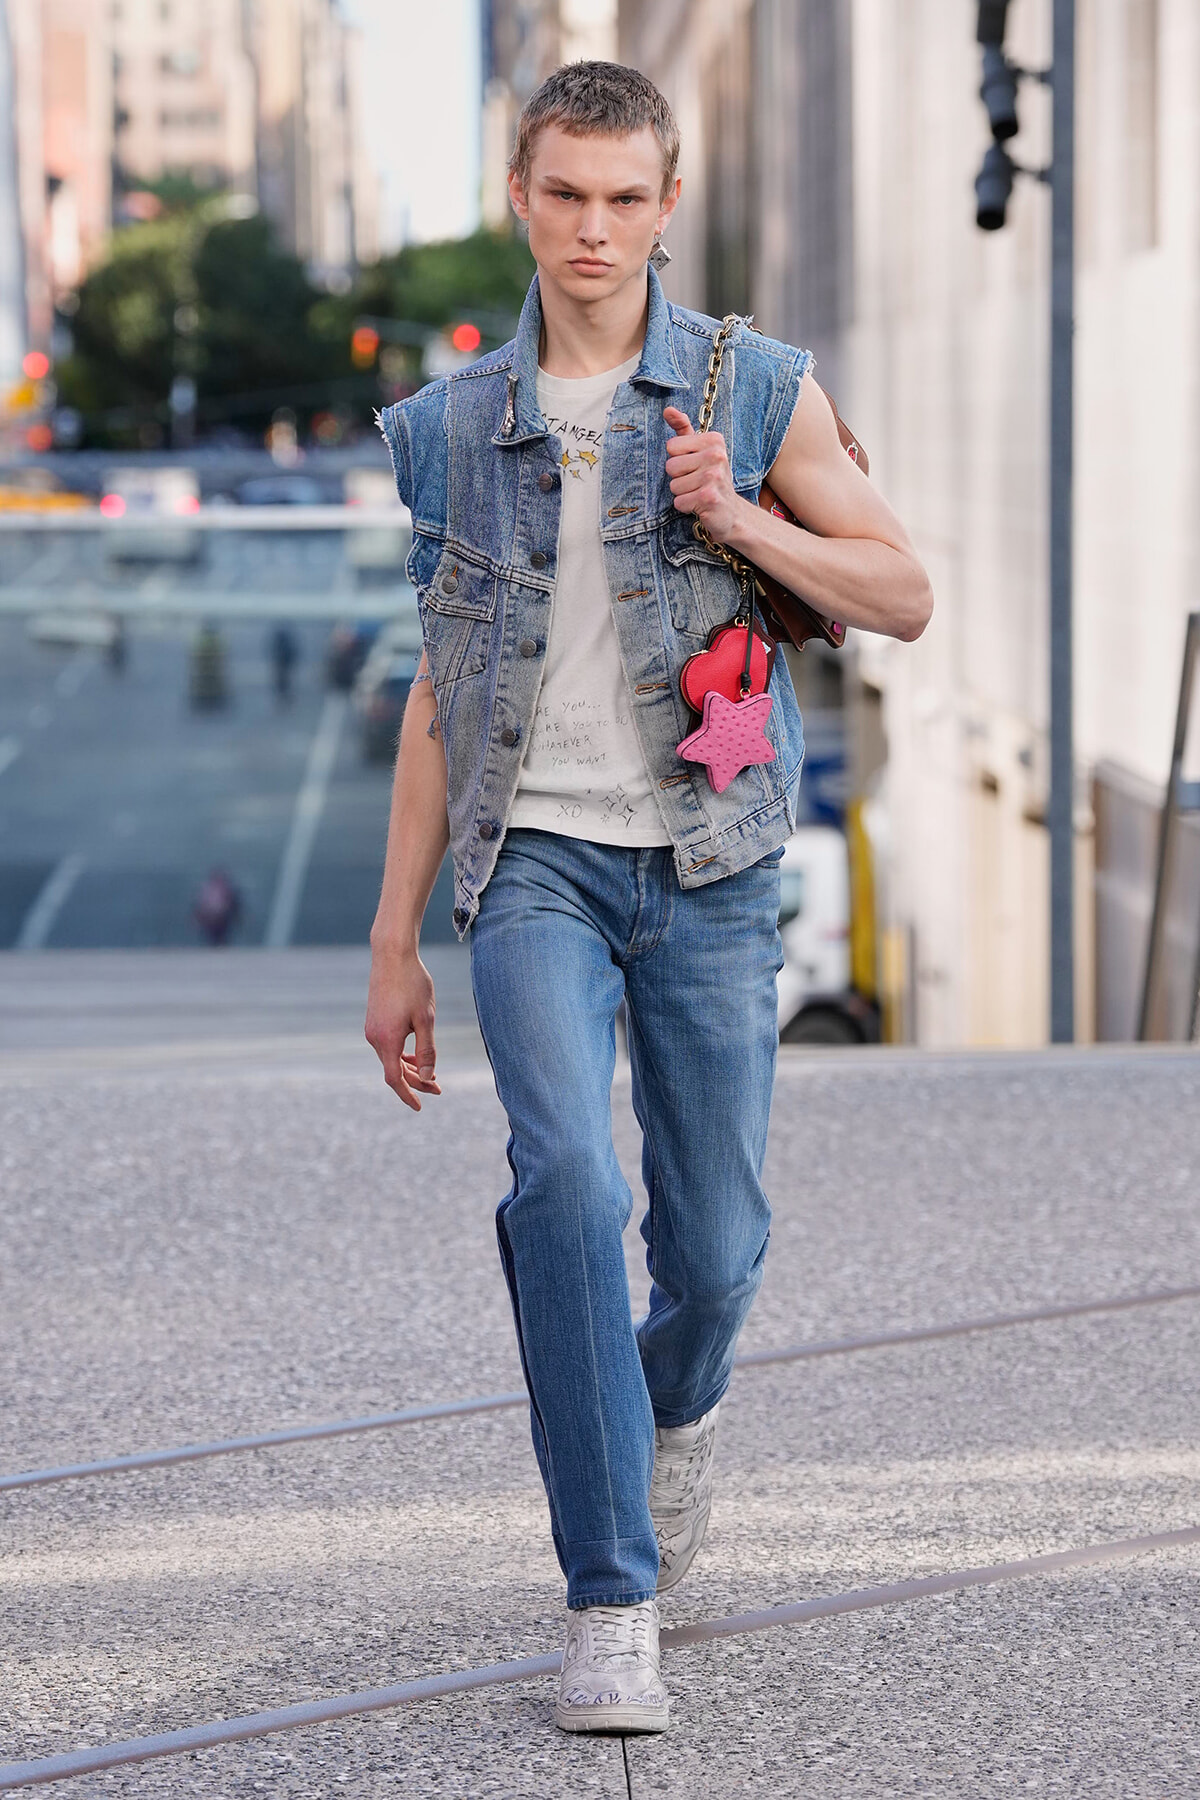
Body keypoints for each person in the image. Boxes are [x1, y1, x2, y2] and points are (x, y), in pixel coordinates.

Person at [366, 61, 932, 1735]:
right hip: (531, 856)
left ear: (666, 205)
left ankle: (671, 1420)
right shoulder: (451, 428)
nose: (596, 228)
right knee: (559, 1174)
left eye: (626, 198)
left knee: (719, 1248)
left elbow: (902, 591)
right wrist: (391, 940)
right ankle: (607, 1592)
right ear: (520, 198)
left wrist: (742, 513)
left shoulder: (755, 391)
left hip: (711, 868)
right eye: (566, 195)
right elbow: (435, 695)